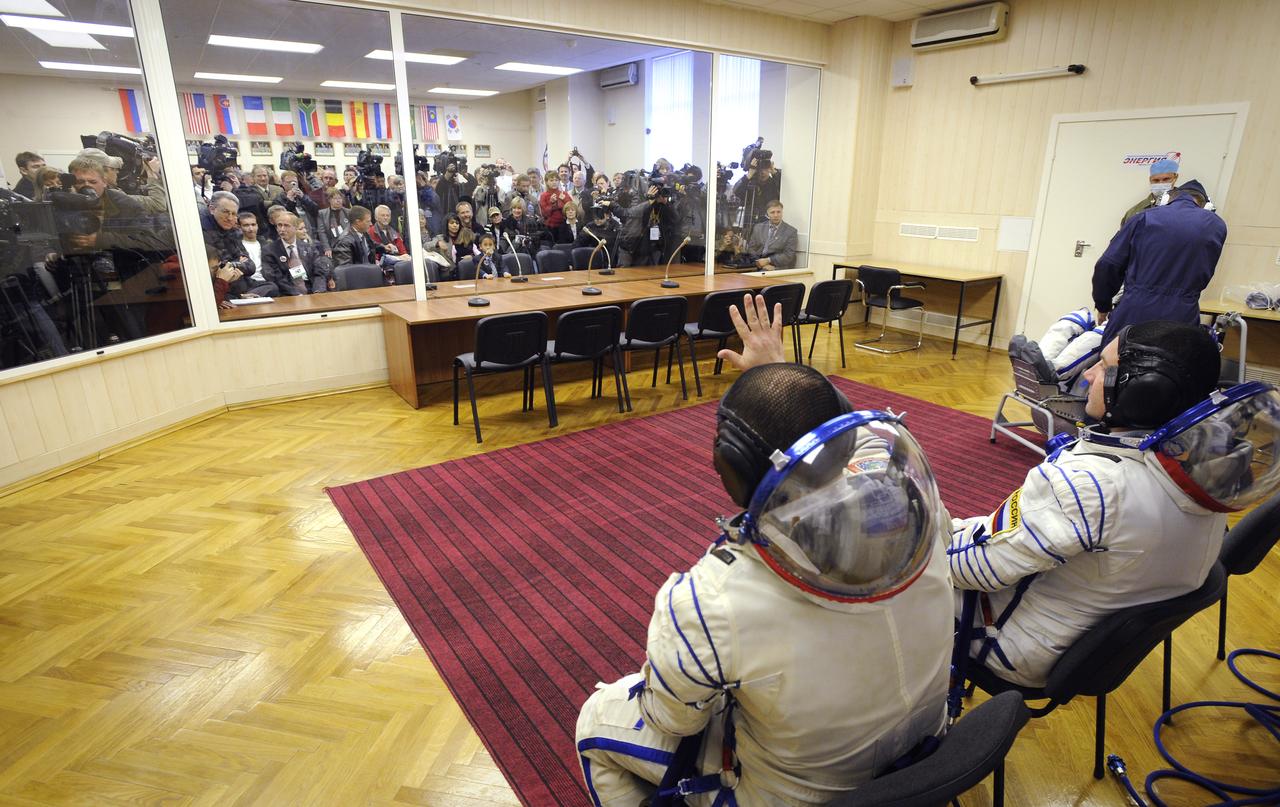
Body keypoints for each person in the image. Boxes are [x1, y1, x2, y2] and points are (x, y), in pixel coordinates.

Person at [576, 362, 954, 806]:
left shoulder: (712, 599)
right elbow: (843, 443)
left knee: (596, 720)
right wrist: (786, 388)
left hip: (799, 795)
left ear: (729, 467)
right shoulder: (920, 510)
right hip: (926, 754)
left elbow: (673, 720)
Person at [947, 320, 1245, 688]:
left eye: (1103, 365)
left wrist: (923, 538)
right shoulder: (1210, 475)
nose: (1088, 374)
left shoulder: (1088, 486)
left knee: (878, 583)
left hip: (1015, 647)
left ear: (1144, 391)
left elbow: (974, 569)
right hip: (1087, 645)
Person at [1093, 180, 1226, 346]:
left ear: (1166, 199)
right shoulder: (1217, 226)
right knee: (1170, 367)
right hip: (1182, 316)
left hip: (1135, 310)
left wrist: (1103, 305)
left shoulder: (1143, 218)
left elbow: (1107, 264)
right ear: (1206, 206)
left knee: (1114, 364)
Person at [261, 212, 333, 295]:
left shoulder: (309, 248)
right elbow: (276, 278)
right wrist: (297, 294)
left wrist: (318, 291)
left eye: (286, 225)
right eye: (279, 225)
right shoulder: (269, 250)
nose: (282, 229)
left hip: (311, 292)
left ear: (295, 228)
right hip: (287, 295)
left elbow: (319, 273)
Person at [619, 184, 681, 267]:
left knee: (652, 272)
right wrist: (649, 200)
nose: (659, 194)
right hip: (638, 245)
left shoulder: (664, 205)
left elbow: (675, 219)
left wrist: (666, 203)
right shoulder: (642, 200)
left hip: (656, 246)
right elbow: (632, 213)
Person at [1121, 157, 1179, 226]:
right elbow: (1125, 236)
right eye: (1156, 180)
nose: (1161, 183)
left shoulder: (1188, 206)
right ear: (1150, 180)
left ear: (1175, 178)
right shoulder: (1135, 213)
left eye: (1166, 179)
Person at [745, 200, 798, 270]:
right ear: (767, 214)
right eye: (772, 212)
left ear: (782, 213)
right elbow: (751, 248)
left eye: (778, 212)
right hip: (756, 265)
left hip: (777, 267)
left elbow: (789, 255)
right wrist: (759, 263)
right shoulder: (758, 227)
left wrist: (768, 260)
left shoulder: (791, 231)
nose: (776, 215)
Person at [733, 152, 781, 227]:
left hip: (769, 223)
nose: (762, 171)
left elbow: (785, 190)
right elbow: (736, 191)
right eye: (760, 168)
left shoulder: (774, 182)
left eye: (765, 168)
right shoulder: (749, 182)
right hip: (750, 222)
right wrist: (749, 175)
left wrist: (774, 172)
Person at [315, 188, 350, 257]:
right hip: (332, 246)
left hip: (347, 245)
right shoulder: (322, 213)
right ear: (329, 200)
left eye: (340, 198)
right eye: (335, 198)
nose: (338, 200)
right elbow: (322, 233)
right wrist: (327, 248)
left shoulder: (348, 212)